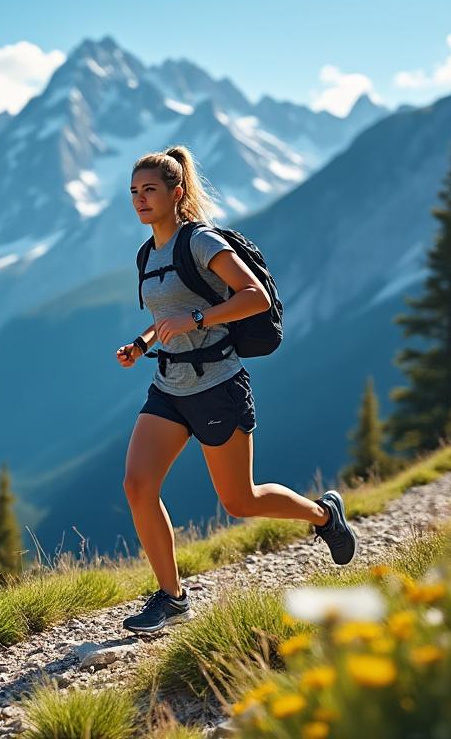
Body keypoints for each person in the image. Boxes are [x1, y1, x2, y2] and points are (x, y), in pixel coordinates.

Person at [115, 145, 358, 634]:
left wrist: (198, 319)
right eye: (135, 192)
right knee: (138, 486)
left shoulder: (201, 242)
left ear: (176, 192)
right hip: (169, 386)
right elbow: (167, 319)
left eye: (151, 191)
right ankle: (172, 598)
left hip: (217, 385)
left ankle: (322, 515)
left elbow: (254, 297)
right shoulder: (149, 253)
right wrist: (141, 344)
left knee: (239, 501)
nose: (141, 200)